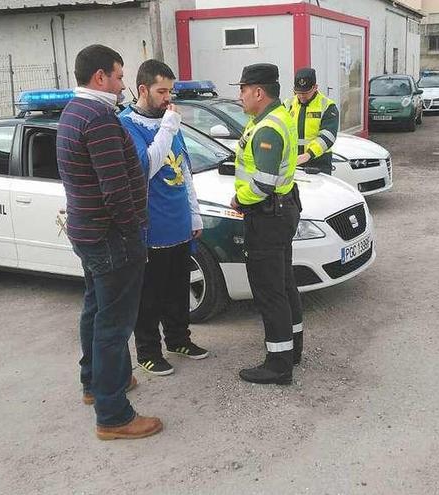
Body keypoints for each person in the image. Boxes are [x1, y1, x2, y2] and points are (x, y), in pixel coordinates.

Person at [56, 44, 162, 440]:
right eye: (119, 77)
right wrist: (134, 229)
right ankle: (113, 415)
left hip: (88, 233)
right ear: (100, 77)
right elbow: (115, 189)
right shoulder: (98, 117)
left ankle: (95, 384)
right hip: (111, 238)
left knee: (97, 310)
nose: (123, 85)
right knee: (114, 326)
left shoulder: (74, 111)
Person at [118, 59, 209, 376]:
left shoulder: (169, 120)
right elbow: (146, 167)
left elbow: (183, 170)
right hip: (150, 228)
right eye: (161, 91)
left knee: (176, 288)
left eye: (170, 90)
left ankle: (178, 338)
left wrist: (194, 215)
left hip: (179, 223)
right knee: (149, 295)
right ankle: (147, 350)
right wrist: (169, 126)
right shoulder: (127, 125)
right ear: (143, 89)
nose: (168, 98)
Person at [229, 63, 303, 385]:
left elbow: (263, 183)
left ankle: (278, 365)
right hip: (282, 211)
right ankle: (292, 351)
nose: (240, 95)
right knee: (284, 285)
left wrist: (239, 200)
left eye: (243, 89)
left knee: (270, 292)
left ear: (258, 92)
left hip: (267, 217)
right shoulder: (275, 116)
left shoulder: (267, 128)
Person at [284, 68, 339, 175]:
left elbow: (328, 136)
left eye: (305, 93)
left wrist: (308, 154)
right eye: (298, 92)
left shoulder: (327, 106)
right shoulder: (288, 104)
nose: (301, 96)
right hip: (293, 162)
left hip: (319, 162)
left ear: (315, 87)